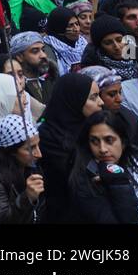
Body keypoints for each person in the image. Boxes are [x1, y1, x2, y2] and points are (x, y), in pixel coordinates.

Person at [68, 111, 138, 224]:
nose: (102, 149)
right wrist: (118, 182)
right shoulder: (85, 181)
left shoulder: (135, 160)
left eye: (109, 140)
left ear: (122, 142)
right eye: (94, 141)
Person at [37, 72, 103, 222]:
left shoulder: (94, 128)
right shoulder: (47, 137)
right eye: (93, 98)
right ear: (74, 100)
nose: (101, 102)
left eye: (98, 95)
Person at [0, 114, 44, 224]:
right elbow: (2, 218)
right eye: (30, 148)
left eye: (38, 145)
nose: (39, 154)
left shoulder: (30, 165)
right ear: (12, 151)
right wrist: (27, 197)